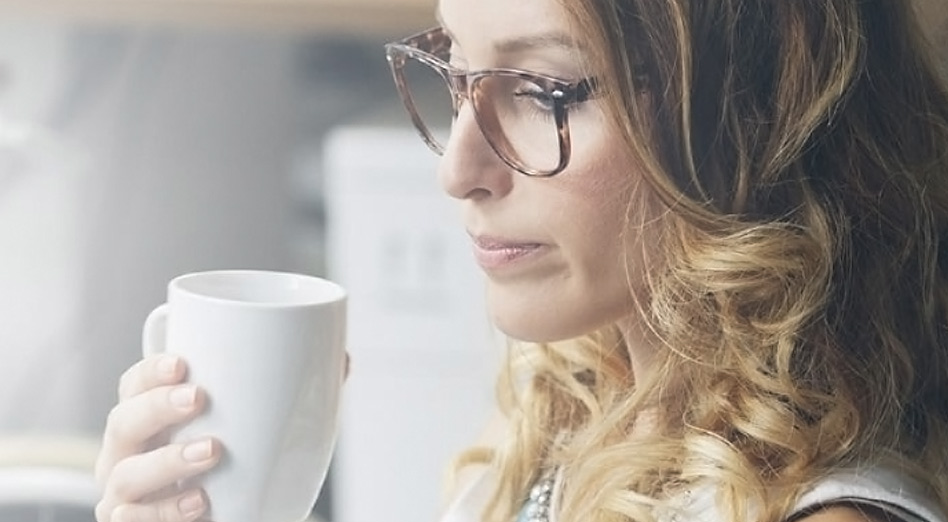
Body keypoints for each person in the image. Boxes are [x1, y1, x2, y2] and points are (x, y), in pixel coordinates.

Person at [93, 0, 948, 521]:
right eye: (458, 76)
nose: (457, 171)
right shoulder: (572, 405)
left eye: (542, 93)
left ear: (750, 114)